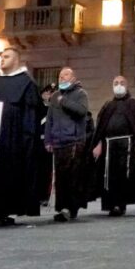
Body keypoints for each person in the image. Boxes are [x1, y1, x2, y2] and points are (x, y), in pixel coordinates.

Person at [0, 47, 44, 227]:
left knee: (8, 174)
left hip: (12, 141)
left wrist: (26, 140)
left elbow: (30, 117)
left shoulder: (27, 83)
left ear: (16, 60)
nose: (2, 60)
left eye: (6, 57)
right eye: (1, 57)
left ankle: (7, 211)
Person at [90, 75, 135, 217]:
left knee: (123, 175)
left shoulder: (134, 105)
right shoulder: (107, 105)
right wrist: (98, 143)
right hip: (109, 146)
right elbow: (100, 127)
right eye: (116, 83)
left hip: (126, 145)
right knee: (108, 176)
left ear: (127, 86)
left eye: (122, 83)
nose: (119, 85)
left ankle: (120, 205)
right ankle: (109, 204)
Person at [44, 67, 92, 222]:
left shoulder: (80, 94)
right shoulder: (55, 96)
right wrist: (48, 140)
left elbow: (82, 111)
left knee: (73, 177)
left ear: (73, 78)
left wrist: (64, 102)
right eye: (60, 76)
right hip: (58, 142)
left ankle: (71, 208)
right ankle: (61, 207)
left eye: (65, 75)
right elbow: (49, 119)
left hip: (74, 141)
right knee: (60, 177)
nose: (61, 78)